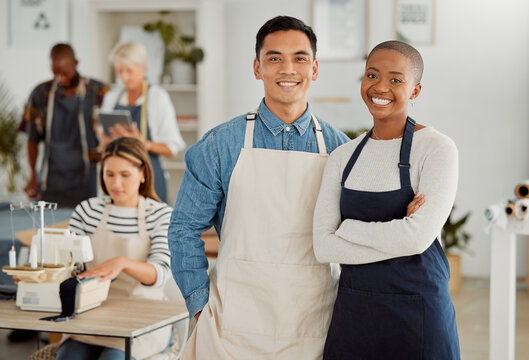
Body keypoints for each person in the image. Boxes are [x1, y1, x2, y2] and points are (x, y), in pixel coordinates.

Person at [167, 15, 351, 359]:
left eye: (300, 58)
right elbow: (183, 229)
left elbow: (357, 231)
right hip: (232, 326)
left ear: (314, 68)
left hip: (315, 323)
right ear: (257, 67)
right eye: (274, 58)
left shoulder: (342, 149)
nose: (288, 69)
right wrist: (199, 307)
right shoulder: (220, 145)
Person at [313, 40, 460, 359]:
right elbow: (324, 247)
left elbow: (416, 240)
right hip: (355, 313)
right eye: (372, 75)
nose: (380, 87)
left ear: (416, 90)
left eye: (396, 79)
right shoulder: (342, 157)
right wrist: (399, 229)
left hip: (419, 312)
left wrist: (348, 228)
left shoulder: (437, 149)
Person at [55, 137, 173, 360]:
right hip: (91, 316)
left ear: (143, 174)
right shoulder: (87, 210)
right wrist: (40, 279)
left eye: (125, 175)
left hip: (141, 321)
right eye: (109, 174)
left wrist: (123, 263)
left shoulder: (160, 214)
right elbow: (68, 264)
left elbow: (160, 274)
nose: (116, 184)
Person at [23, 43, 109, 208]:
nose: (60, 78)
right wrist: (33, 176)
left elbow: (112, 133)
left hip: (86, 177)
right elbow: (32, 139)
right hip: (52, 176)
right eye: (55, 73)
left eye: (65, 73)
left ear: (76, 63)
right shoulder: (41, 94)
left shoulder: (99, 91)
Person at [99, 42, 186, 203]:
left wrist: (142, 143)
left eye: (129, 71)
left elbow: (172, 149)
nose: (124, 77)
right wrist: (106, 142)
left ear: (143, 67)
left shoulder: (157, 97)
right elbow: (103, 144)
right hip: (118, 182)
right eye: (119, 71)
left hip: (150, 179)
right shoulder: (112, 97)